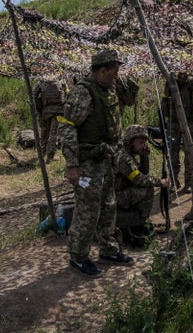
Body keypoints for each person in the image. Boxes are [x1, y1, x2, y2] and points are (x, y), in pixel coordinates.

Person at [57, 49, 134, 278]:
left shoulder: (106, 89)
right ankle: (78, 256)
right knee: (88, 211)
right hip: (87, 164)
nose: (116, 76)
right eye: (113, 72)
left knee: (108, 207)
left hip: (106, 160)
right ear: (101, 70)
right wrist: (72, 165)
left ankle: (108, 250)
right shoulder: (83, 93)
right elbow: (67, 126)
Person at [114, 124, 169, 228]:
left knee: (145, 187)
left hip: (121, 191)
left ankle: (138, 220)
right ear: (130, 141)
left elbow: (144, 173)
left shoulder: (128, 153)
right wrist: (160, 182)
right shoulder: (123, 157)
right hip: (114, 195)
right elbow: (139, 179)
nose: (143, 146)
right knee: (147, 190)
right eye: (140, 142)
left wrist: (144, 157)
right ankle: (141, 222)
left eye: (144, 143)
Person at [161, 71, 193, 192]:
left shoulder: (192, 83)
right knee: (172, 152)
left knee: (189, 152)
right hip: (173, 122)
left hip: (189, 122)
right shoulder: (169, 82)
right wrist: (165, 121)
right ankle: (174, 181)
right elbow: (164, 102)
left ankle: (189, 183)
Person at [34, 78, 66, 163]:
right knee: (53, 134)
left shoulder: (41, 82)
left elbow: (34, 96)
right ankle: (50, 157)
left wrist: (39, 109)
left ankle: (42, 154)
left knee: (44, 133)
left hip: (45, 112)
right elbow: (67, 94)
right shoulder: (62, 80)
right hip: (59, 111)